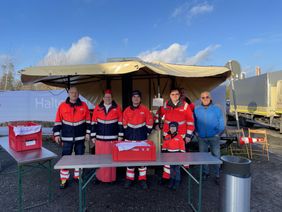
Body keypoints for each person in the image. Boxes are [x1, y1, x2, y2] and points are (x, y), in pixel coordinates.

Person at [53, 87, 91, 189]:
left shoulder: (84, 105)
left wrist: (88, 133)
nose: (74, 94)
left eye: (76, 92)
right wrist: (56, 135)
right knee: (65, 159)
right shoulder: (62, 106)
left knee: (79, 158)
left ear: (78, 94)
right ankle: (64, 179)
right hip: (67, 138)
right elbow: (57, 121)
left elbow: (88, 121)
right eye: (72, 92)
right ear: (69, 93)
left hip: (80, 138)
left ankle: (77, 176)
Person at [155, 88, 194, 182]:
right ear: (169, 95)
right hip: (168, 136)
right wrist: (157, 123)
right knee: (167, 156)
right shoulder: (166, 104)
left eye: (176, 94)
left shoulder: (185, 105)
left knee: (180, 156)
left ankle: (179, 176)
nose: (175, 96)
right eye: (172, 94)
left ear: (179, 95)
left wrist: (188, 135)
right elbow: (158, 115)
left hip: (181, 135)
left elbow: (190, 122)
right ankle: (166, 176)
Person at [123, 90, 153, 189]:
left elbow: (149, 122)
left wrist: (146, 133)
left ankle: (142, 179)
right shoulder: (127, 110)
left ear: (140, 99)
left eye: (138, 97)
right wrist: (127, 135)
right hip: (129, 139)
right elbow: (124, 124)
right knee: (130, 161)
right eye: (134, 97)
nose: (136, 98)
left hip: (141, 139)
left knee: (142, 161)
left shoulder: (145, 109)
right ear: (131, 99)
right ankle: (129, 179)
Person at [91, 89, 123, 183]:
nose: (107, 98)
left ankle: (111, 178)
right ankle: (99, 177)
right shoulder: (97, 108)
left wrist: (120, 136)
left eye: (109, 97)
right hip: (100, 139)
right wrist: (93, 136)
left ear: (112, 98)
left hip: (112, 139)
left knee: (111, 159)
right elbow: (94, 123)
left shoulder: (117, 108)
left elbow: (120, 123)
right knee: (99, 159)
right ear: (103, 98)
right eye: (106, 97)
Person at [194, 91, 225, 185]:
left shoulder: (216, 109)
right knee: (203, 156)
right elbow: (194, 121)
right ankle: (205, 173)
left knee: (216, 156)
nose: (205, 99)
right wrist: (196, 132)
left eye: (207, 97)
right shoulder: (197, 109)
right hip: (202, 137)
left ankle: (217, 175)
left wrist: (218, 133)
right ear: (200, 99)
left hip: (214, 136)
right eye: (203, 97)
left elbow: (221, 121)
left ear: (210, 98)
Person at [162, 122, 185, 190]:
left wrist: (181, 155)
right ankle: (172, 180)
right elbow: (164, 145)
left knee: (177, 169)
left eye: (174, 128)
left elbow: (182, 146)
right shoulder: (167, 136)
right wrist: (164, 151)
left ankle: (177, 181)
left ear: (176, 129)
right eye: (171, 127)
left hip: (177, 154)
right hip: (169, 155)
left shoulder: (179, 137)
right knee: (171, 169)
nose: (172, 129)